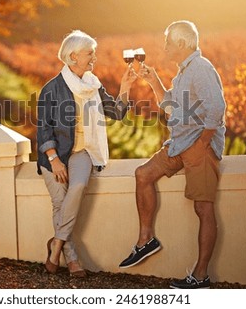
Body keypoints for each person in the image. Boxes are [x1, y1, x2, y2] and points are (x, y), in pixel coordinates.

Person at [118, 20, 226, 289]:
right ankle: (146, 240)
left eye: (167, 41)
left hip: (198, 147)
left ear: (181, 43)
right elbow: (171, 108)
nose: (164, 46)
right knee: (143, 174)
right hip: (179, 144)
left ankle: (200, 276)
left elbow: (217, 108)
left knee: (203, 208)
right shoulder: (183, 72)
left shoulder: (201, 69)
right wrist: (154, 81)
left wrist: (203, 142)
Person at [37, 30, 136, 277]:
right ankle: (71, 259)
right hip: (54, 154)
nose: (94, 57)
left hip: (82, 151)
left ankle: (56, 244)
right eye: (89, 53)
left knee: (78, 186)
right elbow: (43, 129)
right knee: (60, 204)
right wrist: (54, 160)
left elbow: (115, 112)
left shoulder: (94, 84)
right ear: (73, 56)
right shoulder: (52, 89)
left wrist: (125, 87)